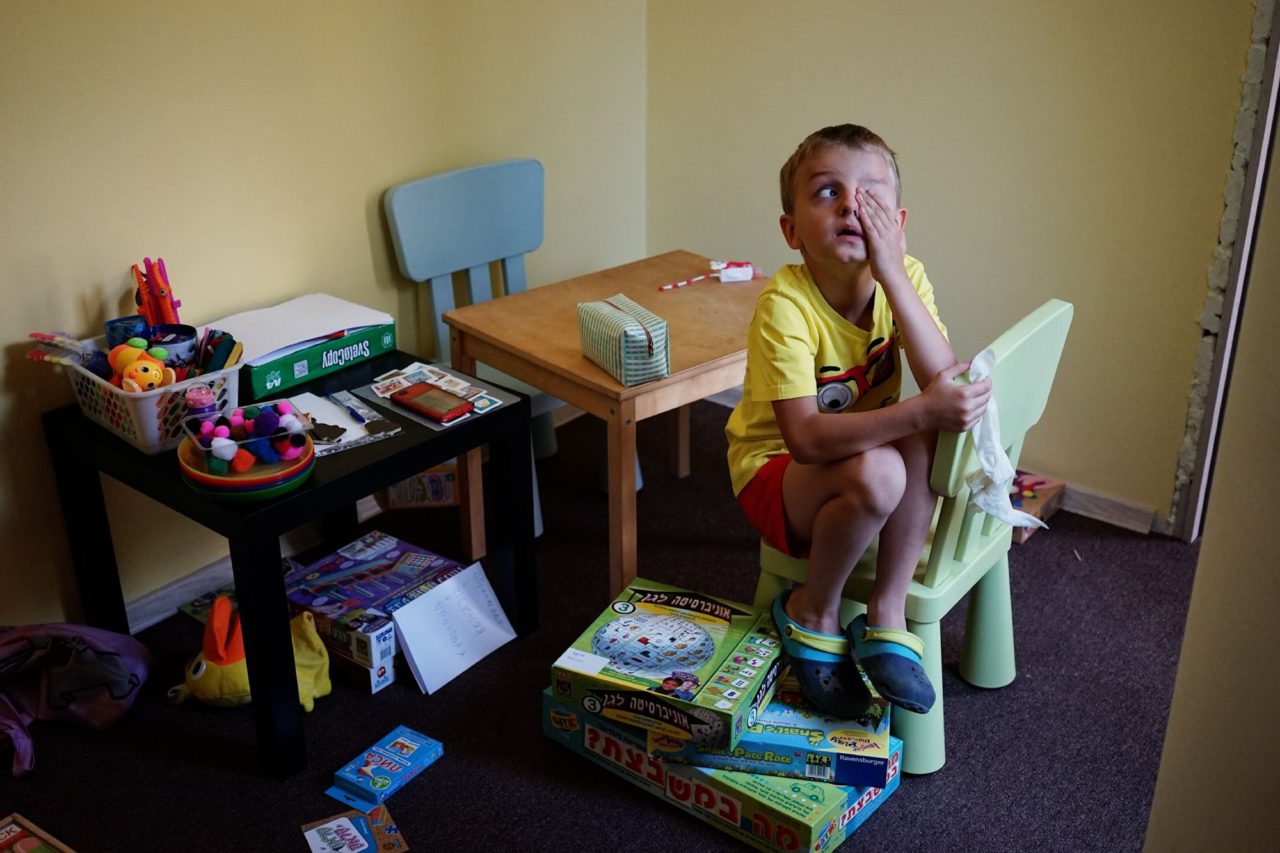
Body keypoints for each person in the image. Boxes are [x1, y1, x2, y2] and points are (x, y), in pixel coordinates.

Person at [725, 124, 992, 719]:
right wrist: (921, 409)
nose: (851, 205)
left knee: (927, 428)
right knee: (888, 463)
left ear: (896, 223)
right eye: (828, 192)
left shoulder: (906, 276)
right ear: (792, 231)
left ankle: (886, 611)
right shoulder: (784, 306)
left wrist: (892, 272)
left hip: (865, 457)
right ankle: (812, 609)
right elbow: (805, 438)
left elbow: (941, 379)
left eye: (869, 195)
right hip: (777, 475)